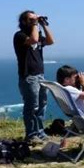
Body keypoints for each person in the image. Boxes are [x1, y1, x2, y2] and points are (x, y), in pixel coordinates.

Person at [13, 10, 54, 144]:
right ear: (23, 21)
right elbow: (34, 40)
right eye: (30, 19)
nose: (33, 21)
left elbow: (50, 41)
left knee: (42, 105)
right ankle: (31, 135)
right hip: (28, 76)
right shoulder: (19, 36)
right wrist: (36, 24)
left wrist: (43, 25)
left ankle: (40, 132)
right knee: (32, 107)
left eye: (34, 19)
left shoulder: (36, 32)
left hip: (40, 75)